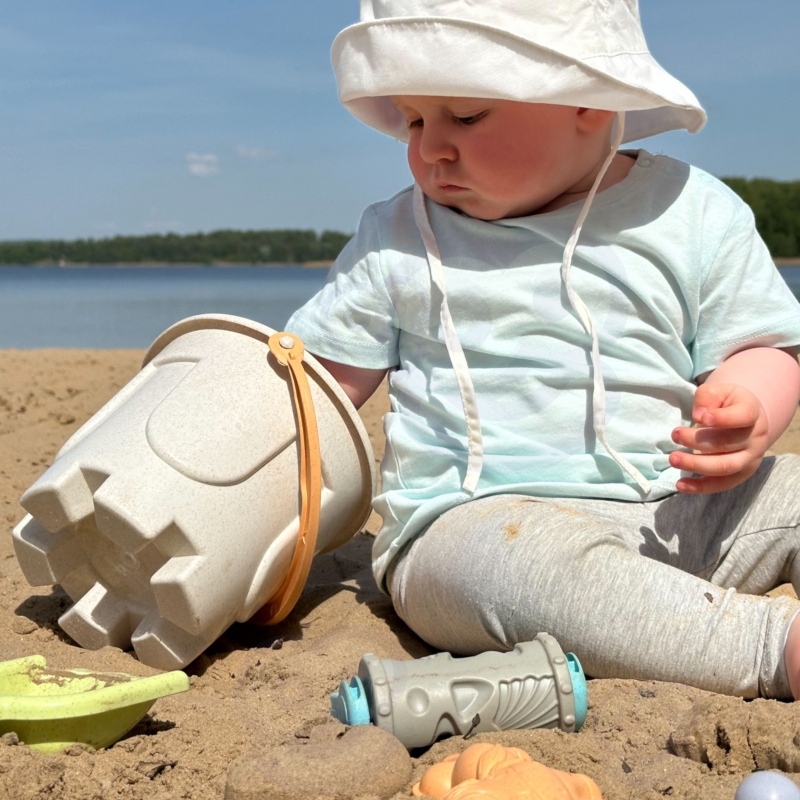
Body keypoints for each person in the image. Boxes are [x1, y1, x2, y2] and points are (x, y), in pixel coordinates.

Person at [287, 0, 800, 700]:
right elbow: (311, 393)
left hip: (680, 507)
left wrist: (751, 409)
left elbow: (765, 346)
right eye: (413, 119)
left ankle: (672, 613)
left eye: (465, 117)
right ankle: (772, 647)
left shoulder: (692, 210)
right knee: (519, 569)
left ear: (585, 99)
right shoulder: (399, 238)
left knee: (790, 489)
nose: (430, 146)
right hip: (477, 521)